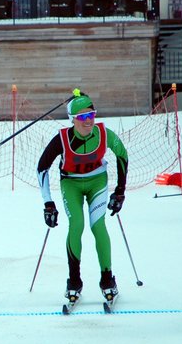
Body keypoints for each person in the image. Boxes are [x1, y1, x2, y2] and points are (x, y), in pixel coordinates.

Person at [36, 90, 129, 309]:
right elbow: (42, 167)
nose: (89, 121)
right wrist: (48, 203)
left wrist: (120, 191)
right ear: (73, 120)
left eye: (92, 115)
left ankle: (108, 280)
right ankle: (74, 282)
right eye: (83, 117)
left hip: (97, 182)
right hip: (71, 184)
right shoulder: (62, 139)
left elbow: (122, 155)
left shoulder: (104, 134)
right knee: (76, 225)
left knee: (98, 226)